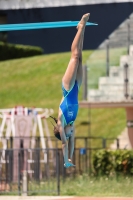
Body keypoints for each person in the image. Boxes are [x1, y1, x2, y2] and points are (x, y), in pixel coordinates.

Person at [50, 13, 90, 168]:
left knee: (74, 57)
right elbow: (71, 144)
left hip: (67, 88)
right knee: (80, 57)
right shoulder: (71, 123)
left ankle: (80, 26)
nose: (71, 133)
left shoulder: (62, 122)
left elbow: (65, 144)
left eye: (68, 134)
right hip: (77, 87)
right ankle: (83, 28)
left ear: (61, 131)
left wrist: (65, 160)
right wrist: (71, 158)